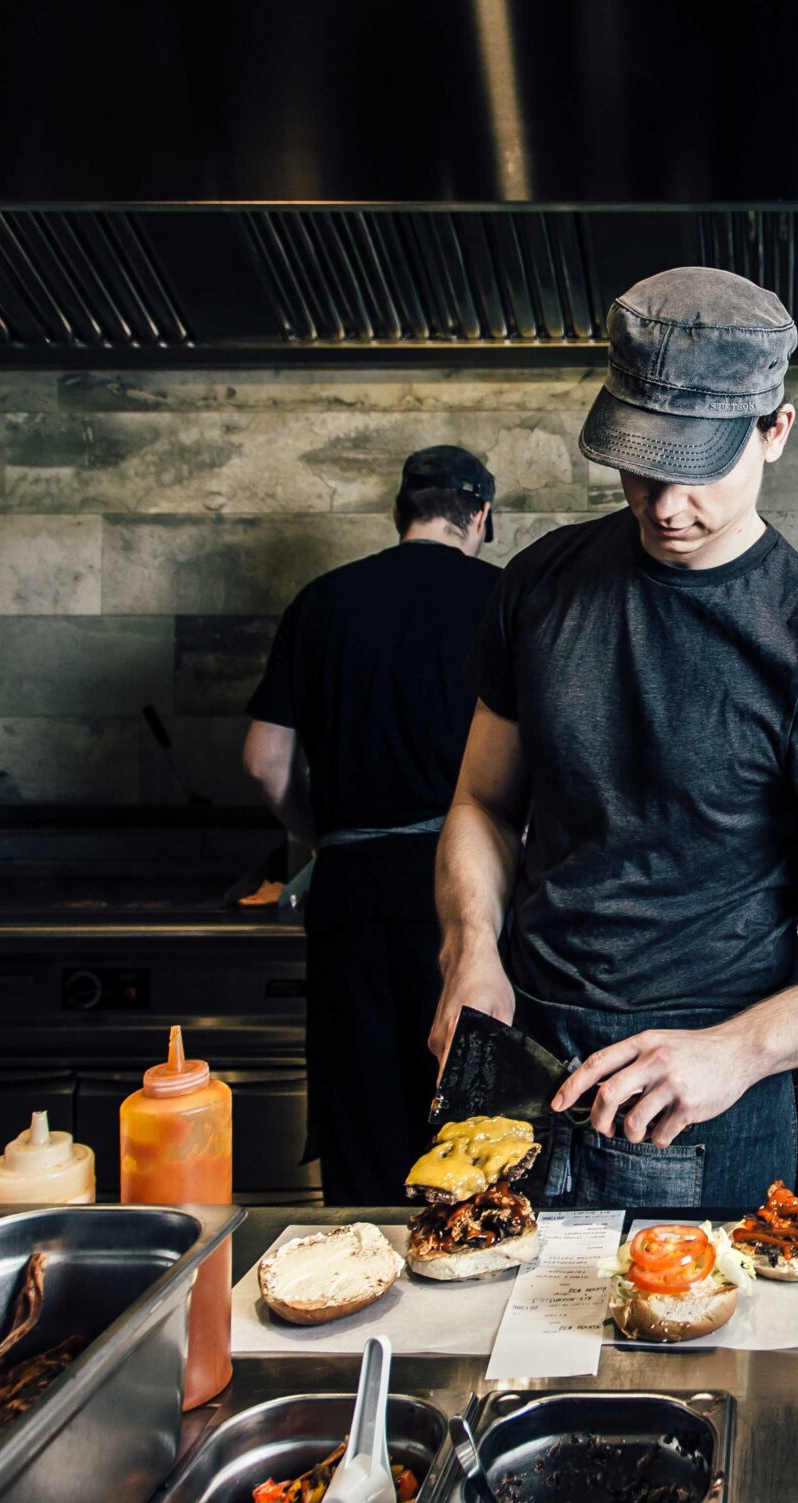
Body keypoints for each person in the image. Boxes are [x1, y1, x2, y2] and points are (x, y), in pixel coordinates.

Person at [429, 267, 798, 1209]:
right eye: (644, 463)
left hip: (702, 1097)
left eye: (701, 466)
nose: (666, 504)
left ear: (777, 430)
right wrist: (471, 947)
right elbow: (483, 801)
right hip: (518, 1059)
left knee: (690, 1355)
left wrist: (741, 1050)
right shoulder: (540, 584)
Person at [244, 446, 501, 1203]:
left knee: (364, 1142)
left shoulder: (322, 601)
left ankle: (358, 1302)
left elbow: (264, 759)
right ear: (479, 516)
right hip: (477, 902)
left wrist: (325, 831)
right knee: (478, 1143)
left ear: (401, 514)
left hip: (351, 901)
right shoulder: (508, 597)